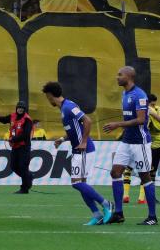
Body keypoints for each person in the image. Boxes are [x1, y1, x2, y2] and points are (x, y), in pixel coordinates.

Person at [43, 82, 112, 225]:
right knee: (81, 184)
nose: (47, 100)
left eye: (46, 97)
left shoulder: (69, 107)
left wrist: (84, 142)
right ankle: (97, 214)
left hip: (84, 150)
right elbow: (75, 129)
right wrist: (62, 139)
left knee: (76, 183)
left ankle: (106, 204)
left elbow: (87, 120)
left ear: (50, 96)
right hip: (78, 150)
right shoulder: (65, 107)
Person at [102, 66, 158, 226]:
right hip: (126, 141)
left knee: (145, 177)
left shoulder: (139, 95)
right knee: (115, 172)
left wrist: (118, 124)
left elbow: (141, 120)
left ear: (129, 77)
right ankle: (119, 213)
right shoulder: (125, 93)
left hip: (140, 143)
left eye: (120, 75)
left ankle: (152, 216)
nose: (117, 77)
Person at [0, 101, 33, 193]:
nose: (20, 109)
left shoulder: (27, 119)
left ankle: (24, 188)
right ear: (16, 108)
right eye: (19, 108)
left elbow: (26, 135)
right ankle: (28, 177)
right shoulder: (12, 116)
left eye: (22, 108)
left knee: (23, 167)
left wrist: (13, 139)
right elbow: (4, 120)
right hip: (15, 147)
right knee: (13, 166)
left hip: (24, 147)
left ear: (24, 110)